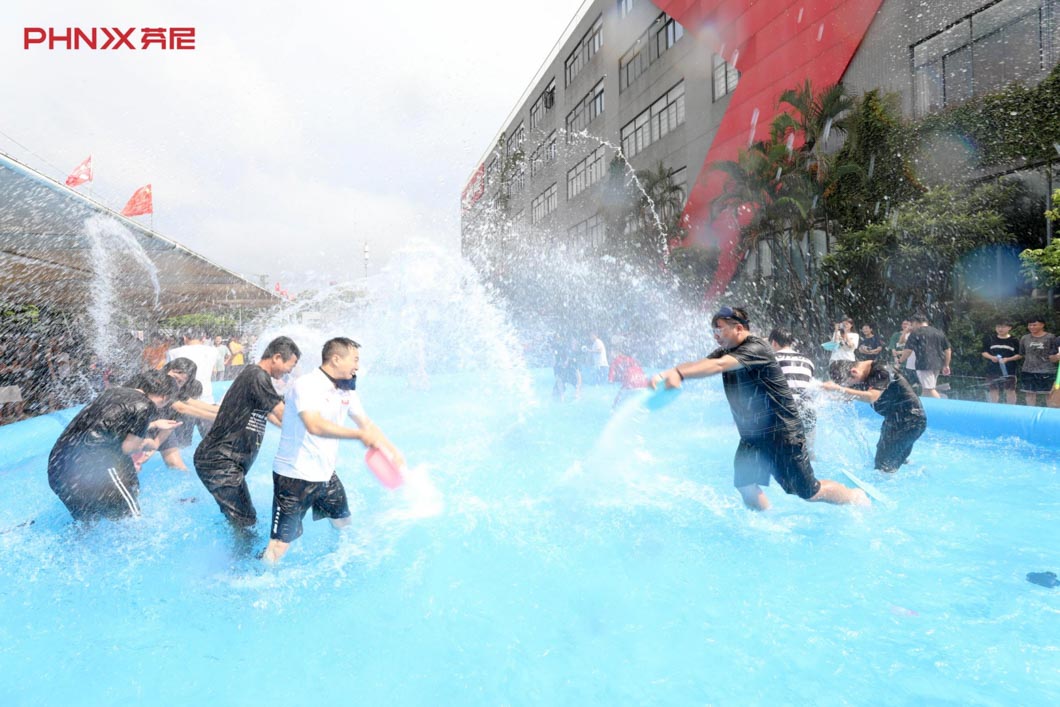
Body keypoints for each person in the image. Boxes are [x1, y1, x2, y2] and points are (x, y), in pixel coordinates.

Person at [652, 306, 869, 510]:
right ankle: (770, 521)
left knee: (806, 491)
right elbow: (702, 363)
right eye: (713, 330)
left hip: (781, 431)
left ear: (739, 328)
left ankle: (854, 497)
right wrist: (669, 372)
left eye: (720, 329)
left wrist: (679, 374)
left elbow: (718, 366)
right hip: (752, 434)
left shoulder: (756, 348)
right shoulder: (726, 350)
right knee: (745, 484)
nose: (715, 334)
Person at [261, 337, 405, 563]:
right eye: (355, 360)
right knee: (280, 545)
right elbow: (314, 425)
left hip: (326, 475)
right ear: (336, 359)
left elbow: (366, 424)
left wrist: (391, 449)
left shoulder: (346, 390)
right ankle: (260, 579)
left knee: (343, 522)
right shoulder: (306, 385)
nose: (358, 366)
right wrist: (358, 436)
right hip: (294, 477)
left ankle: (340, 560)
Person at [193, 336, 300, 529]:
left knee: (241, 518)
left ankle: (236, 553)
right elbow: (284, 415)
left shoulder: (257, 380)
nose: (289, 372)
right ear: (276, 357)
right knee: (245, 520)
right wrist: (317, 426)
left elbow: (276, 419)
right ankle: (240, 559)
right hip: (219, 461)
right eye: (289, 366)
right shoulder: (256, 375)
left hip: (226, 462)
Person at [47, 370, 180, 521]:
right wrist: (152, 443)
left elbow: (106, 427)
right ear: (165, 397)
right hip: (94, 468)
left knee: (88, 524)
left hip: (59, 467)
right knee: (132, 520)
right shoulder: (145, 406)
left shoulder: (112, 392)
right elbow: (129, 448)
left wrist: (154, 424)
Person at [824, 360, 927, 472]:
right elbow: (853, 395)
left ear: (853, 372)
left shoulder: (881, 371)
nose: (852, 386)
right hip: (896, 420)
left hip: (910, 420)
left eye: (851, 383)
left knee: (883, 466)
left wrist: (839, 389)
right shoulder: (863, 374)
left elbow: (872, 397)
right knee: (892, 460)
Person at [148, 358, 220, 471]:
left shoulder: (176, 387)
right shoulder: (156, 380)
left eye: (180, 382)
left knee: (176, 465)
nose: (175, 382)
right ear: (169, 369)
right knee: (174, 463)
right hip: (149, 420)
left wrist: (224, 411)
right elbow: (181, 408)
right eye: (175, 376)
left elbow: (192, 402)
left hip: (161, 422)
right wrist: (221, 417)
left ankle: (216, 449)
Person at [768, 328, 817, 454]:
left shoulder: (772, 359)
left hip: (785, 408)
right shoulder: (808, 361)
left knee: (779, 451)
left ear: (774, 343)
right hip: (808, 408)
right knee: (808, 452)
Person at [167, 332, 220, 433]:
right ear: (203, 338)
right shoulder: (213, 351)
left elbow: (169, 374)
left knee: (182, 443)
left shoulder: (174, 352)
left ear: (184, 337)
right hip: (206, 398)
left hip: (182, 399)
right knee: (211, 440)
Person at [899, 314, 951, 399]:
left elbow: (908, 350)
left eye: (912, 324)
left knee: (930, 389)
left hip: (924, 364)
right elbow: (948, 350)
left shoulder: (916, 333)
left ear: (916, 323)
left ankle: (942, 408)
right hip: (938, 364)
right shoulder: (938, 332)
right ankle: (922, 408)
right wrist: (946, 365)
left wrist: (900, 361)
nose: (912, 326)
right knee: (926, 389)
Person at [1016, 316, 1060, 407]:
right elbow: (1022, 353)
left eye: (1034, 325)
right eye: (1030, 325)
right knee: (1029, 393)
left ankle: (1050, 413)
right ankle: (1030, 413)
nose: (1032, 327)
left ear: (1042, 325)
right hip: (1028, 370)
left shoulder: (1051, 337)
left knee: (1049, 394)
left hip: (1047, 370)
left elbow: (1054, 354)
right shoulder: (1025, 338)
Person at [980, 319, 1019, 405]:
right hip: (992, 368)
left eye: (1003, 327)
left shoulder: (1014, 340)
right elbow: (984, 352)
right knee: (993, 389)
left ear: (1009, 327)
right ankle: (993, 407)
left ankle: (1011, 408)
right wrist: (991, 357)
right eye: (998, 327)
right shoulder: (990, 339)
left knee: (1010, 389)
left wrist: (1008, 359)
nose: (1000, 329)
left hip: (1009, 369)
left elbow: (1019, 355)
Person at [607, 343, 649, 408]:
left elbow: (611, 376)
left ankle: (614, 409)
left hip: (631, 383)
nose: (610, 355)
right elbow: (639, 369)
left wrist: (610, 380)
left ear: (615, 353)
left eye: (611, 352)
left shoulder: (615, 361)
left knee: (619, 398)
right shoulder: (630, 359)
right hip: (644, 382)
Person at [552, 336, 581, 400]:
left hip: (571, 376)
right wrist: (562, 396)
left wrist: (577, 390)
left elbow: (578, 375)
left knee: (578, 392)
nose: (564, 364)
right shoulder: (557, 365)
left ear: (568, 359)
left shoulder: (572, 362)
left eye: (565, 362)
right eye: (563, 363)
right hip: (563, 377)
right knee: (555, 393)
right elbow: (559, 380)